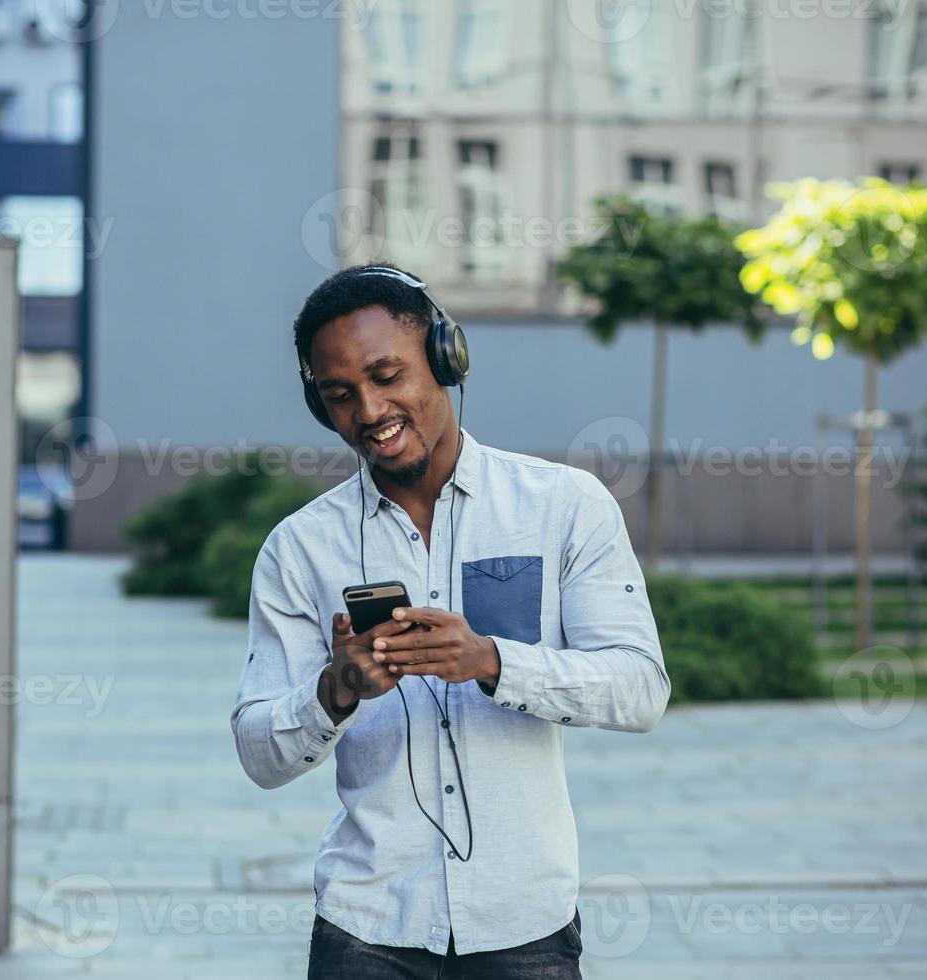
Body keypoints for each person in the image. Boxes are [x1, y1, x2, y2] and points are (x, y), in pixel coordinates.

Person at [229, 264, 670, 979]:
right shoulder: (299, 548)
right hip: (366, 928)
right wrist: (335, 689)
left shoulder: (564, 506)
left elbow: (641, 689)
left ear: (444, 358)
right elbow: (258, 752)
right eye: (341, 395)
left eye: (387, 375)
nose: (369, 411)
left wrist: (493, 661)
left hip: (525, 924)